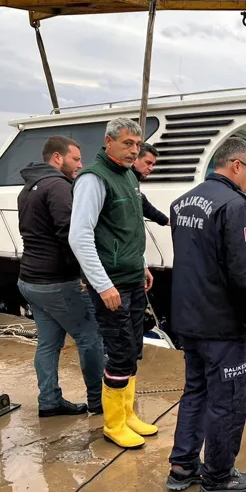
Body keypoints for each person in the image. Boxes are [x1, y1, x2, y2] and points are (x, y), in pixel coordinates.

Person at [167, 137, 246, 492]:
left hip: (188, 319)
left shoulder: (181, 203)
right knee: (228, 401)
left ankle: (183, 466)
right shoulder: (237, 207)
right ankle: (218, 475)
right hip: (223, 326)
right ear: (236, 166)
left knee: (196, 391)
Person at [68, 117, 157, 449]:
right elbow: (79, 236)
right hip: (113, 285)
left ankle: (128, 414)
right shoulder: (93, 179)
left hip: (133, 279)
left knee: (132, 350)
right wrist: (103, 285)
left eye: (137, 144)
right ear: (109, 142)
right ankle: (113, 423)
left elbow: (129, 228)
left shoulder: (129, 177)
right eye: (127, 143)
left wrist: (142, 264)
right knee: (119, 354)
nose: (134, 150)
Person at [16, 136, 106, 417]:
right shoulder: (58, 187)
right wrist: (86, 274)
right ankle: (99, 400)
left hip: (29, 279)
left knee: (48, 343)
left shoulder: (28, 188)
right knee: (90, 336)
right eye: (75, 159)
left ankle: (49, 400)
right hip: (57, 282)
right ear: (57, 157)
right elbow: (71, 235)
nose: (80, 165)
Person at [133, 142, 169, 226]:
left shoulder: (134, 180)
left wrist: (166, 220)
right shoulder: (125, 179)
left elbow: (144, 204)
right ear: (135, 159)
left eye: (153, 165)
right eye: (148, 163)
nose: (151, 168)